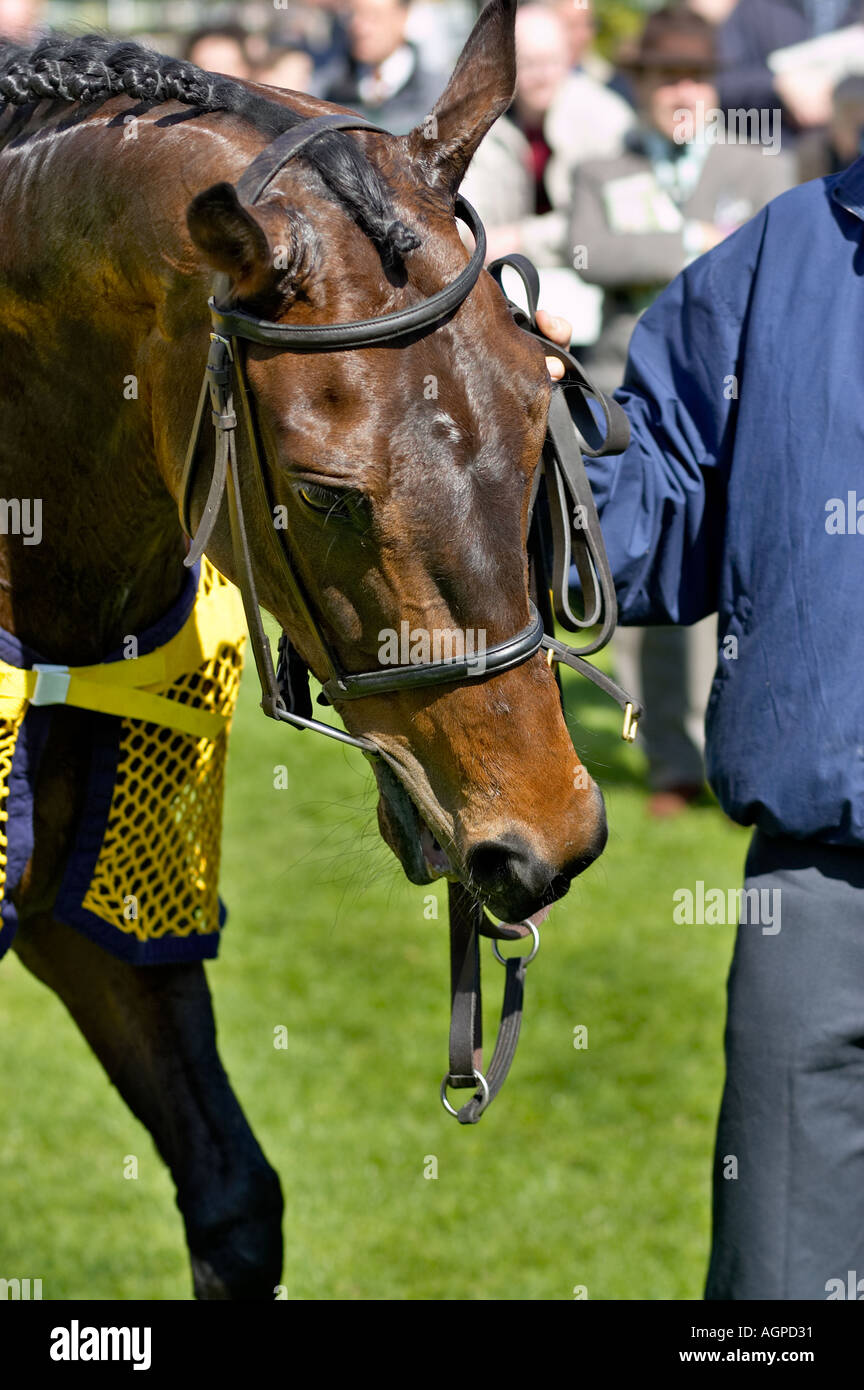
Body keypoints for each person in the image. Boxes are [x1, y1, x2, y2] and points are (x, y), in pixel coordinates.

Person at [541, 129, 864, 1299]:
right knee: (774, 1297)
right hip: (820, 897)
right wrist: (532, 433)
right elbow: (657, 515)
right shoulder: (779, 258)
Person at [568, 4, 795, 815]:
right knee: (640, 567)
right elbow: (593, 250)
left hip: (732, 394)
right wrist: (698, 243)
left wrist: (671, 249)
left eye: (692, 76)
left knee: (742, 571)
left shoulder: (761, 165)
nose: (679, 93)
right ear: (641, 89)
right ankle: (666, 757)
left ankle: (736, 745)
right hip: (618, 394)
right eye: (664, 79)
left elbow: (771, 262)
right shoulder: (602, 167)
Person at [315, 0, 447, 135]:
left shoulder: (439, 96)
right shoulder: (324, 91)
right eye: (351, 15)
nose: (359, 28)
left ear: (403, 16)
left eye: (373, 16)